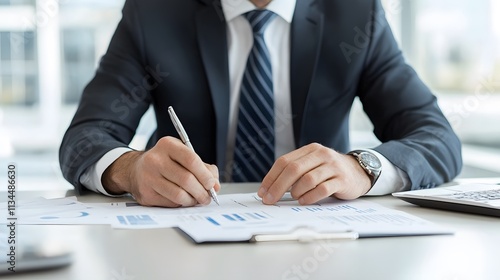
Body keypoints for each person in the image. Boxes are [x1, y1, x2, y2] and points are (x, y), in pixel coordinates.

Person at [59, 0, 462, 208]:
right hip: (183, 239)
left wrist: (362, 168)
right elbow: (86, 136)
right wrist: (131, 171)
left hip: (321, 239)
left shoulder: (356, 14)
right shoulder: (155, 12)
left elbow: (437, 137)